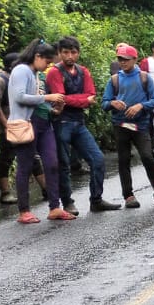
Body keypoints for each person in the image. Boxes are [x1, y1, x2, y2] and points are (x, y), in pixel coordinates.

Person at [47, 36, 119, 213]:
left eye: (73, 52)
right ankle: (67, 202)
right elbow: (60, 98)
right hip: (61, 122)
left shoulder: (83, 71)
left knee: (98, 159)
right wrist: (83, 100)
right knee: (63, 164)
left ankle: (96, 199)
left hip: (78, 122)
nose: (69, 56)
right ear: (59, 53)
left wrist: (77, 100)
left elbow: (91, 95)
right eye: (65, 52)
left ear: (78, 53)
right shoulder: (54, 72)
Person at [100, 44, 154, 209]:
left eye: (126, 59)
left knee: (147, 157)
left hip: (141, 125)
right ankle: (128, 195)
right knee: (123, 160)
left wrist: (140, 106)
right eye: (120, 59)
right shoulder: (114, 79)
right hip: (120, 124)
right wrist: (113, 103)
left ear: (134, 59)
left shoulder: (144, 77)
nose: (123, 62)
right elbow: (104, 104)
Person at [8, 41, 70, 225]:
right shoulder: (21, 70)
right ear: (37, 57)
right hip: (26, 124)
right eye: (47, 61)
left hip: (42, 123)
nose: (48, 65)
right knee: (25, 167)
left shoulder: (36, 73)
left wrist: (51, 109)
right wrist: (47, 97)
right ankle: (24, 211)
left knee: (52, 163)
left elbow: (36, 101)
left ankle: (55, 207)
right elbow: (20, 97)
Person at [0, 50, 43, 205]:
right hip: (7, 126)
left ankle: (46, 189)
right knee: (6, 158)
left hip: (22, 124)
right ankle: (5, 193)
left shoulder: (17, 78)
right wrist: (7, 124)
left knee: (33, 156)